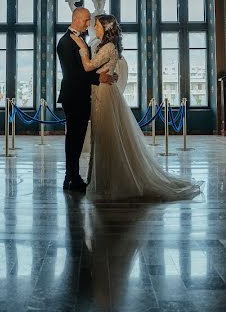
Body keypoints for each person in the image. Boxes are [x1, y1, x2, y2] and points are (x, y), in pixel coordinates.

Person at [70, 15, 201, 201]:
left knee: (105, 137)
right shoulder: (107, 46)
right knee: (103, 137)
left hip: (104, 95)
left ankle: (108, 181)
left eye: (97, 26)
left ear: (106, 29)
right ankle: (103, 179)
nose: (94, 28)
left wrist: (82, 49)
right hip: (103, 92)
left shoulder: (107, 47)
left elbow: (89, 66)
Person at [56, 7, 117, 192]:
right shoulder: (66, 42)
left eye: (90, 21)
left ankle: (71, 177)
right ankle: (72, 178)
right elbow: (74, 74)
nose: (88, 24)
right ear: (76, 19)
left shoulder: (78, 39)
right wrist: (99, 79)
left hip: (81, 96)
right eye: (86, 21)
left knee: (77, 138)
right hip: (73, 96)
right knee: (74, 139)